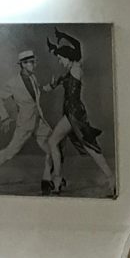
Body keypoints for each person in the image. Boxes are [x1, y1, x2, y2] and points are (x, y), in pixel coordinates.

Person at [45, 30, 108, 195]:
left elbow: (77, 46)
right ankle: (58, 180)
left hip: (74, 113)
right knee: (84, 146)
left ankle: (57, 180)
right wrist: (52, 85)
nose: (60, 62)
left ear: (68, 58)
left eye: (61, 59)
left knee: (60, 142)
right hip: (70, 112)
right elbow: (63, 80)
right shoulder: (70, 71)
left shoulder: (76, 68)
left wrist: (62, 36)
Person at [0, 49, 50, 179]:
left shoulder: (33, 77)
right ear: (23, 64)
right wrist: (5, 117)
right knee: (11, 151)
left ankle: (48, 178)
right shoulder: (13, 83)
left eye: (33, 62)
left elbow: (36, 94)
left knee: (53, 147)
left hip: (39, 121)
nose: (33, 65)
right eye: (31, 62)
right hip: (25, 124)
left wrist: (51, 86)